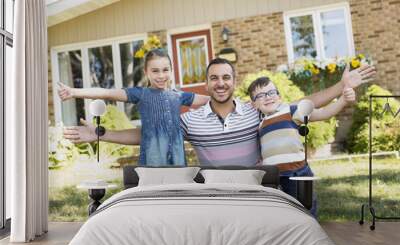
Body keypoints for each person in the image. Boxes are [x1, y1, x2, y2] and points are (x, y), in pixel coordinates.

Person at [64, 58, 376, 167]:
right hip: (214, 189)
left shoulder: (256, 110)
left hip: (257, 186)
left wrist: (341, 85)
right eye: (214, 78)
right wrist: (100, 133)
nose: (221, 83)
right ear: (207, 83)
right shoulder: (190, 119)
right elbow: (147, 135)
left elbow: (307, 101)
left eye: (226, 77)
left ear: (233, 81)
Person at [58, 48, 209, 166]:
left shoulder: (179, 96)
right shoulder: (141, 94)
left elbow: (209, 100)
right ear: (146, 72)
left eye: (165, 70)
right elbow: (107, 93)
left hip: (178, 165)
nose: (161, 75)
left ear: (171, 70)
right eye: (155, 71)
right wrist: (74, 92)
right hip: (151, 167)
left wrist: (232, 98)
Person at [247, 76, 356, 215]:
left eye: (271, 93)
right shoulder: (259, 124)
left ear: (279, 96)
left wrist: (343, 100)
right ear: (253, 104)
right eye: (260, 96)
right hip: (274, 178)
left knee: (306, 211)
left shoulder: (290, 111)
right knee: (283, 214)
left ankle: (311, 234)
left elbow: (323, 113)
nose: (268, 97)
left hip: (297, 173)